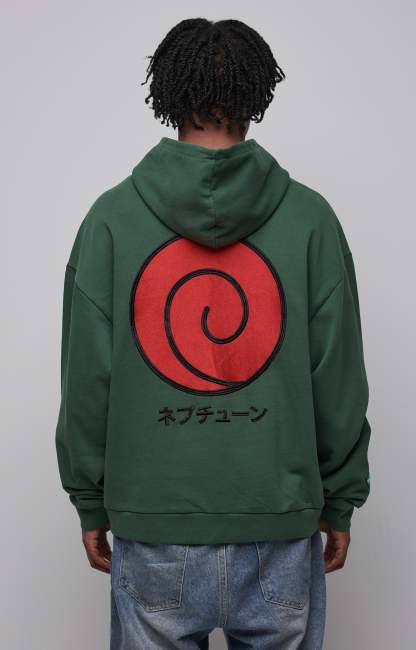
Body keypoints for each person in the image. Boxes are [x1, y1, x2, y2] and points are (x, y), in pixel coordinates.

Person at [55, 18, 371, 650]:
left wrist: (91, 499)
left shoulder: (111, 219)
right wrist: (340, 499)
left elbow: (87, 378)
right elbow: (337, 375)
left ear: (169, 94)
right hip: (279, 524)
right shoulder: (309, 218)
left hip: (155, 524)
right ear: (256, 94)